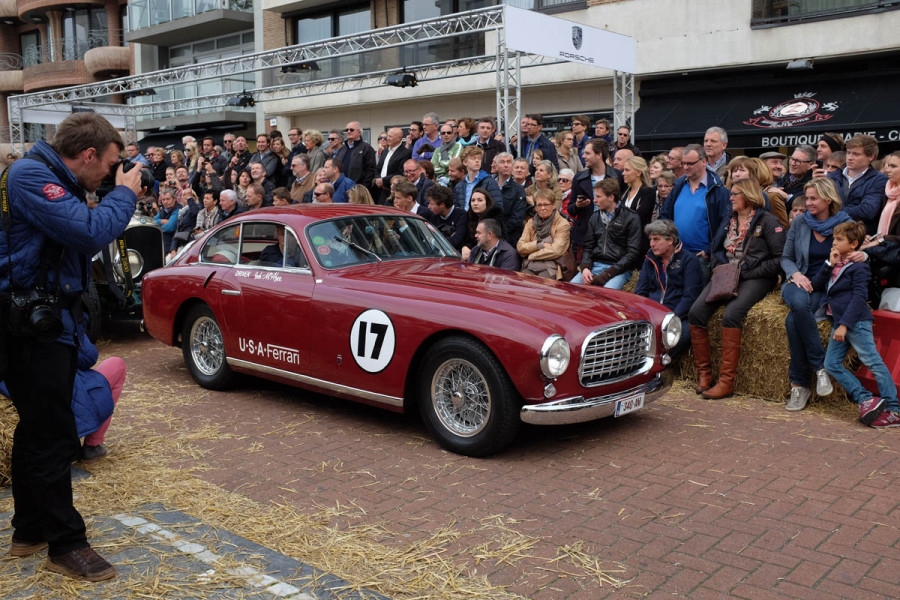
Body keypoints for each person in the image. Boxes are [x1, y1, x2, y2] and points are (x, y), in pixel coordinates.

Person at [1, 112, 143, 581]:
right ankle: (66, 544)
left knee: (37, 429)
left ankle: (29, 530)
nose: (112, 173)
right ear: (88, 154)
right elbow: (88, 232)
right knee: (56, 435)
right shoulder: (30, 175)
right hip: (28, 327)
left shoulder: (51, 177)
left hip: (42, 324)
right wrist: (125, 194)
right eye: (111, 164)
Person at [688, 178, 785, 399]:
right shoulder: (728, 219)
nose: (730, 198)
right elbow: (715, 250)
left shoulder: (768, 221)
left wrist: (748, 270)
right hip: (727, 274)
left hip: (755, 276)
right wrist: (720, 265)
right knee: (696, 313)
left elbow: (779, 259)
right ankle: (704, 374)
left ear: (749, 196)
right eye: (730, 193)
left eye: (735, 194)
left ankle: (726, 382)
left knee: (731, 315)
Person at [814, 221, 899, 427]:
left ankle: (894, 409)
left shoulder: (859, 268)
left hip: (856, 322)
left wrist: (844, 325)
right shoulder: (835, 263)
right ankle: (865, 398)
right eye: (834, 239)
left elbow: (860, 297)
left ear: (853, 244)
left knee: (873, 362)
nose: (834, 243)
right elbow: (816, 284)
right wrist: (829, 264)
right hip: (840, 321)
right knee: (831, 364)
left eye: (839, 239)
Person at [781, 178, 853, 411]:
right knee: (799, 303)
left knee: (793, 321)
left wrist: (863, 254)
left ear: (829, 199)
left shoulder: (846, 224)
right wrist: (796, 275)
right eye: (808, 198)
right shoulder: (800, 222)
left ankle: (799, 385)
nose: (808, 203)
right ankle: (821, 367)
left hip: (828, 285)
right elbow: (786, 257)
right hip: (798, 282)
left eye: (814, 198)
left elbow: (858, 251)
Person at [658, 144, 731, 281]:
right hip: (677, 254)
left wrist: (709, 250)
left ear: (703, 162)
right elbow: (664, 216)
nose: (685, 167)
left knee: (696, 294)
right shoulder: (678, 186)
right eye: (683, 163)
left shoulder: (718, 190)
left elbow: (725, 224)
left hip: (701, 257)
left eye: (690, 164)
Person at [634, 219, 703, 357]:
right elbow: (640, 292)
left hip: (677, 315)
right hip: (652, 314)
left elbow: (690, 296)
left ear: (670, 240)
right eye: (650, 239)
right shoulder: (649, 259)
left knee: (683, 334)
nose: (651, 244)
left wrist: (670, 319)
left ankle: (660, 362)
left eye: (656, 239)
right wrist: (647, 315)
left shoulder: (689, 261)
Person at [571, 178, 642, 289]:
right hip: (594, 265)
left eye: (598, 197)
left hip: (619, 269)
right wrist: (585, 268)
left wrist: (608, 274)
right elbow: (588, 247)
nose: (594, 200)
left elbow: (632, 253)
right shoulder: (594, 217)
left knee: (606, 294)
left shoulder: (631, 217)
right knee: (571, 289)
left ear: (611, 197)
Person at [826, 134, 889, 234]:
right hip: (829, 232)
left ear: (871, 156)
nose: (850, 158)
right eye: (848, 153)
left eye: (856, 154)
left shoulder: (879, 179)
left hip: (859, 235)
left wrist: (834, 211)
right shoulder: (831, 177)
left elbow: (867, 211)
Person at [517, 189, 571, 280]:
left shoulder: (562, 224)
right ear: (535, 207)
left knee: (540, 286)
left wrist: (532, 255)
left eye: (546, 204)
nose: (542, 208)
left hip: (549, 268)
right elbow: (520, 247)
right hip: (528, 266)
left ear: (553, 205)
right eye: (539, 205)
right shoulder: (531, 222)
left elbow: (556, 250)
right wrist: (540, 245)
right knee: (522, 284)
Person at [461, 188, 504, 261]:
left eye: (480, 200)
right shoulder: (468, 217)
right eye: (473, 200)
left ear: (487, 202)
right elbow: (466, 239)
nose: (475, 203)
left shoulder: (495, 218)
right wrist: (464, 247)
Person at [335, 121, 376, 188]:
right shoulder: (342, 149)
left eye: (351, 130)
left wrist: (363, 187)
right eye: (347, 130)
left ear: (359, 132)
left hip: (357, 188)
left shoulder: (367, 148)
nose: (348, 131)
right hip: (341, 187)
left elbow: (371, 170)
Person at [426, 184, 467, 250]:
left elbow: (456, 241)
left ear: (442, 204)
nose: (429, 207)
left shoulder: (461, 216)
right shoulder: (433, 216)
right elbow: (428, 239)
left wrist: (436, 239)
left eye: (431, 204)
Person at [621, 156, 656, 229]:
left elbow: (639, 217)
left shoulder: (648, 192)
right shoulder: (624, 193)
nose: (623, 173)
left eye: (627, 170)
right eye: (623, 170)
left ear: (638, 172)